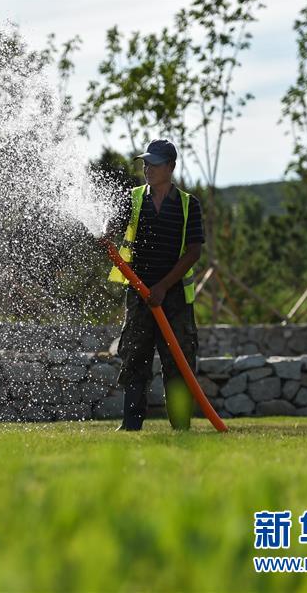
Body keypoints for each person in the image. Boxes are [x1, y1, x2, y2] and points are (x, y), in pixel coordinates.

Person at [100, 139, 205, 431]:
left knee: (179, 363)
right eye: (146, 163)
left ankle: (181, 426)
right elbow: (113, 231)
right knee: (135, 357)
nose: (148, 168)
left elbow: (194, 251)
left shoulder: (188, 205)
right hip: (139, 296)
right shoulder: (132, 199)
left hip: (174, 299)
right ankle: (131, 424)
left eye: (154, 164)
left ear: (170, 167)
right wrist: (104, 233)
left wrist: (162, 287)